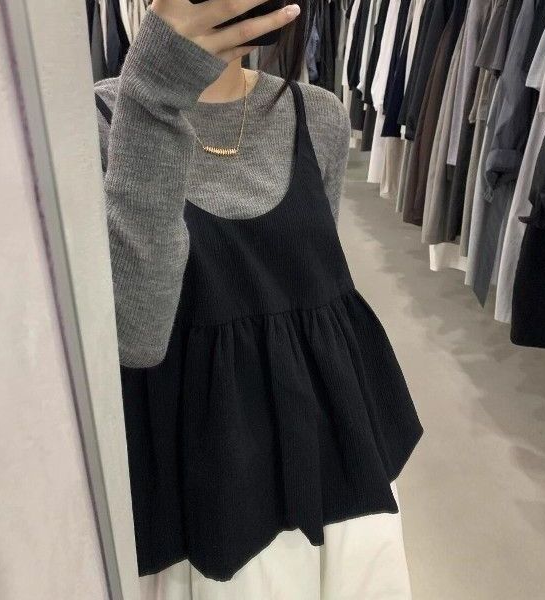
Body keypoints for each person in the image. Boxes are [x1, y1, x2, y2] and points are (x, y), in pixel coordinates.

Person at [94, 1, 423, 598]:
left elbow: (312, 286)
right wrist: (155, 93)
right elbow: (136, 333)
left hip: (334, 437)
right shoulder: (103, 120)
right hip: (210, 461)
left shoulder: (316, 113)